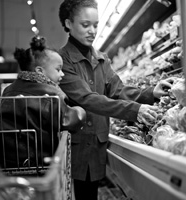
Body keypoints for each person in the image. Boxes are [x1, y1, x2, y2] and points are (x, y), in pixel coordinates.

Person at [58, 0, 175, 199]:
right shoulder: (62, 61)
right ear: (69, 24)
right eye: (85, 25)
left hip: (95, 143)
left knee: (90, 193)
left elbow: (119, 90)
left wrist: (150, 92)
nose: (92, 31)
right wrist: (135, 110)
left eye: (95, 25)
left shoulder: (102, 59)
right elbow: (87, 99)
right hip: (75, 145)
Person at [0, 36, 86, 168]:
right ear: (40, 71)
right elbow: (71, 120)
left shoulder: (9, 90)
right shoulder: (52, 94)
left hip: (2, 157)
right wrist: (80, 110)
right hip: (34, 160)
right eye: (58, 69)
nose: (62, 74)